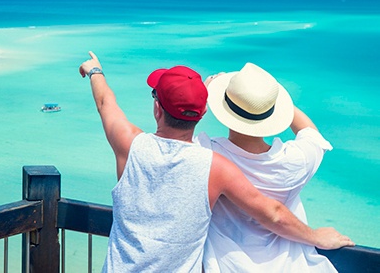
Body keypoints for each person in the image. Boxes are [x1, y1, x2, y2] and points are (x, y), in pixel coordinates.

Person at [78, 52, 353, 273]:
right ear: (204, 112)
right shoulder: (215, 166)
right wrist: (317, 237)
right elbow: (273, 213)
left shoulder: (130, 143)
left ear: (157, 108)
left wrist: (95, 71)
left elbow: (105, 102)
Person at [199, 63, 338, 272]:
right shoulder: (297, 160)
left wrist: (201, 98)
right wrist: (272, 100)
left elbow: (176, 138)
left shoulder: (207, 154)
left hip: (227, 265)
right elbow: (311, 133)